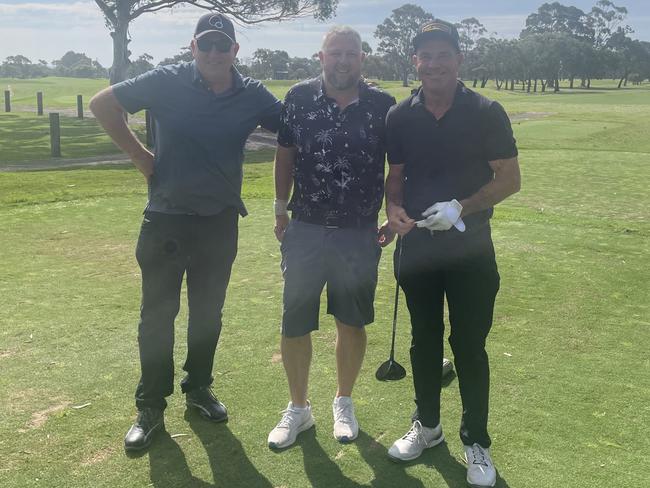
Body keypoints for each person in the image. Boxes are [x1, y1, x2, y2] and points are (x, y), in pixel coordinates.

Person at [89, 12, 281, 452]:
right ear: (192, 48)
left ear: (235, 51)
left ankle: (198, 389)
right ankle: (151, 405)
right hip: (166, 219)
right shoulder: (165, 80)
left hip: (219, 221)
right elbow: (104, 104)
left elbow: (295, 127)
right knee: (157, 316)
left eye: (223, 46)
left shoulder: (251, 93)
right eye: (206, 45)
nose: (214, 53)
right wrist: (140, 156)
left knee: (207, 314)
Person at [383, 19, 521, 487]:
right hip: (418, 249)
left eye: (444, 54)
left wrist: (462, 205)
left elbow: (509, 179)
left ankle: (476, 441)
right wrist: (395, 209)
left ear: (459, 60)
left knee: (468, 345)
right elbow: (395, 177)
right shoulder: (400, 116)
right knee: (423, 342)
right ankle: (428, 426)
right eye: (427, 55)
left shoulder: (486, 111)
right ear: (415, 62)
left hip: (471, 250)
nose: (435, 62)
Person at [266, 26, 396, 449]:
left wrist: (393, 211)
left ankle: (344, 400)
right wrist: (280, 208)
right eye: (335, 53)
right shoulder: (298, 99)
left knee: (351, 320)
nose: (343, 60)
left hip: (359, 231)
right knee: (296, 319)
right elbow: (285, 155)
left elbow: (398, 166)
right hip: (305, 227)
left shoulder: (383, 105)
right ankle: (298, 408)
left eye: (351, 53)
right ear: (321, 57)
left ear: (362, 58)